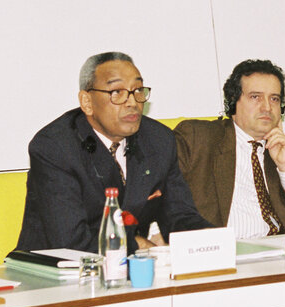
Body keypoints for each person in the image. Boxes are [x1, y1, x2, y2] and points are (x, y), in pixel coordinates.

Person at [16, 52, 211, 255]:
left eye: (137, 90)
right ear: (87, 102)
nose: (132, 102)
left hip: (129, 269)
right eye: (117, 92)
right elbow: (70, 241)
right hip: (55, 271)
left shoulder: (159, 140)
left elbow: (179, 214)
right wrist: (138, 245)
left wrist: (208, 237)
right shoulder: (55, 147)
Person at [174, 59, 285, 238]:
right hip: (223, 254)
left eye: (274, 98)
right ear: (233, 102)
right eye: (255, 97)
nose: (267, 107)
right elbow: (162, 197)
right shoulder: (198, 138)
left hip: (280, 255)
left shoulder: (284, 153)